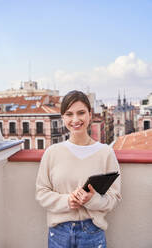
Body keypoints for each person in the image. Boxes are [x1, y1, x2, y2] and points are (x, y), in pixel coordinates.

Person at [36, 90, 121, 248]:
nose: (75, 119)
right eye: (69, 114)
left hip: (93, 234)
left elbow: (114, 198)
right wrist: (67, 201)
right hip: (58, 234)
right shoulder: (51, 153)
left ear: (90, 114)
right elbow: (41, 194)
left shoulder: (105, 153)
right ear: (63, 117)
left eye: (81, 113)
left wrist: (92, 200)